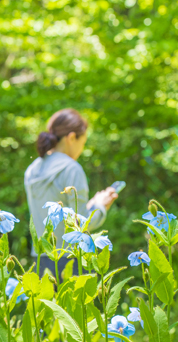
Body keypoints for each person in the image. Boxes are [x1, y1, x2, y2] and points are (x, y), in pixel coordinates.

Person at [24, 109, 118, 278]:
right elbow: (80, 223)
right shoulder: (71, 168)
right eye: (83, 142)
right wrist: (101, 206)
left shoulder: (32, 169)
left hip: (40, 258)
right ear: (72, 137)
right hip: (70, 259)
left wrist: (91, 205)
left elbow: (61, 213)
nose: (82, 149)